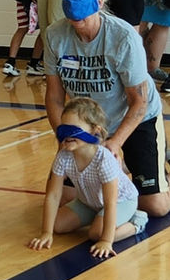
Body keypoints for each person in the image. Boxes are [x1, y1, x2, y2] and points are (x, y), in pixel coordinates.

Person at [43, 0, 170, 217]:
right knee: (62, 200)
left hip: (134, 119)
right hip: (87, 126)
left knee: (155, 207)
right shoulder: (54, 36)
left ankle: (157, 171)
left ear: (98, 2)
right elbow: (55, 97)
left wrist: (114, 144)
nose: (73, 14)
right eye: (68, 4)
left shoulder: (123, 37)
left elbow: (139, 102)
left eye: (80, 5)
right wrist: (64, 135)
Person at [28, 96, 147, 259]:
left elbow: (111, 202)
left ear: (94, 130)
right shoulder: (63, 157)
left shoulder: (103, 159)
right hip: (89, 202)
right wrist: (46, 233)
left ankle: (136, 223)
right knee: (58, 225)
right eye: (64, 128)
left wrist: (106, 240)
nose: (66, 135)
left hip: (122, 202)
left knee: (96, 234)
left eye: (74, 129)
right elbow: (53, 195)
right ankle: (98, 217)